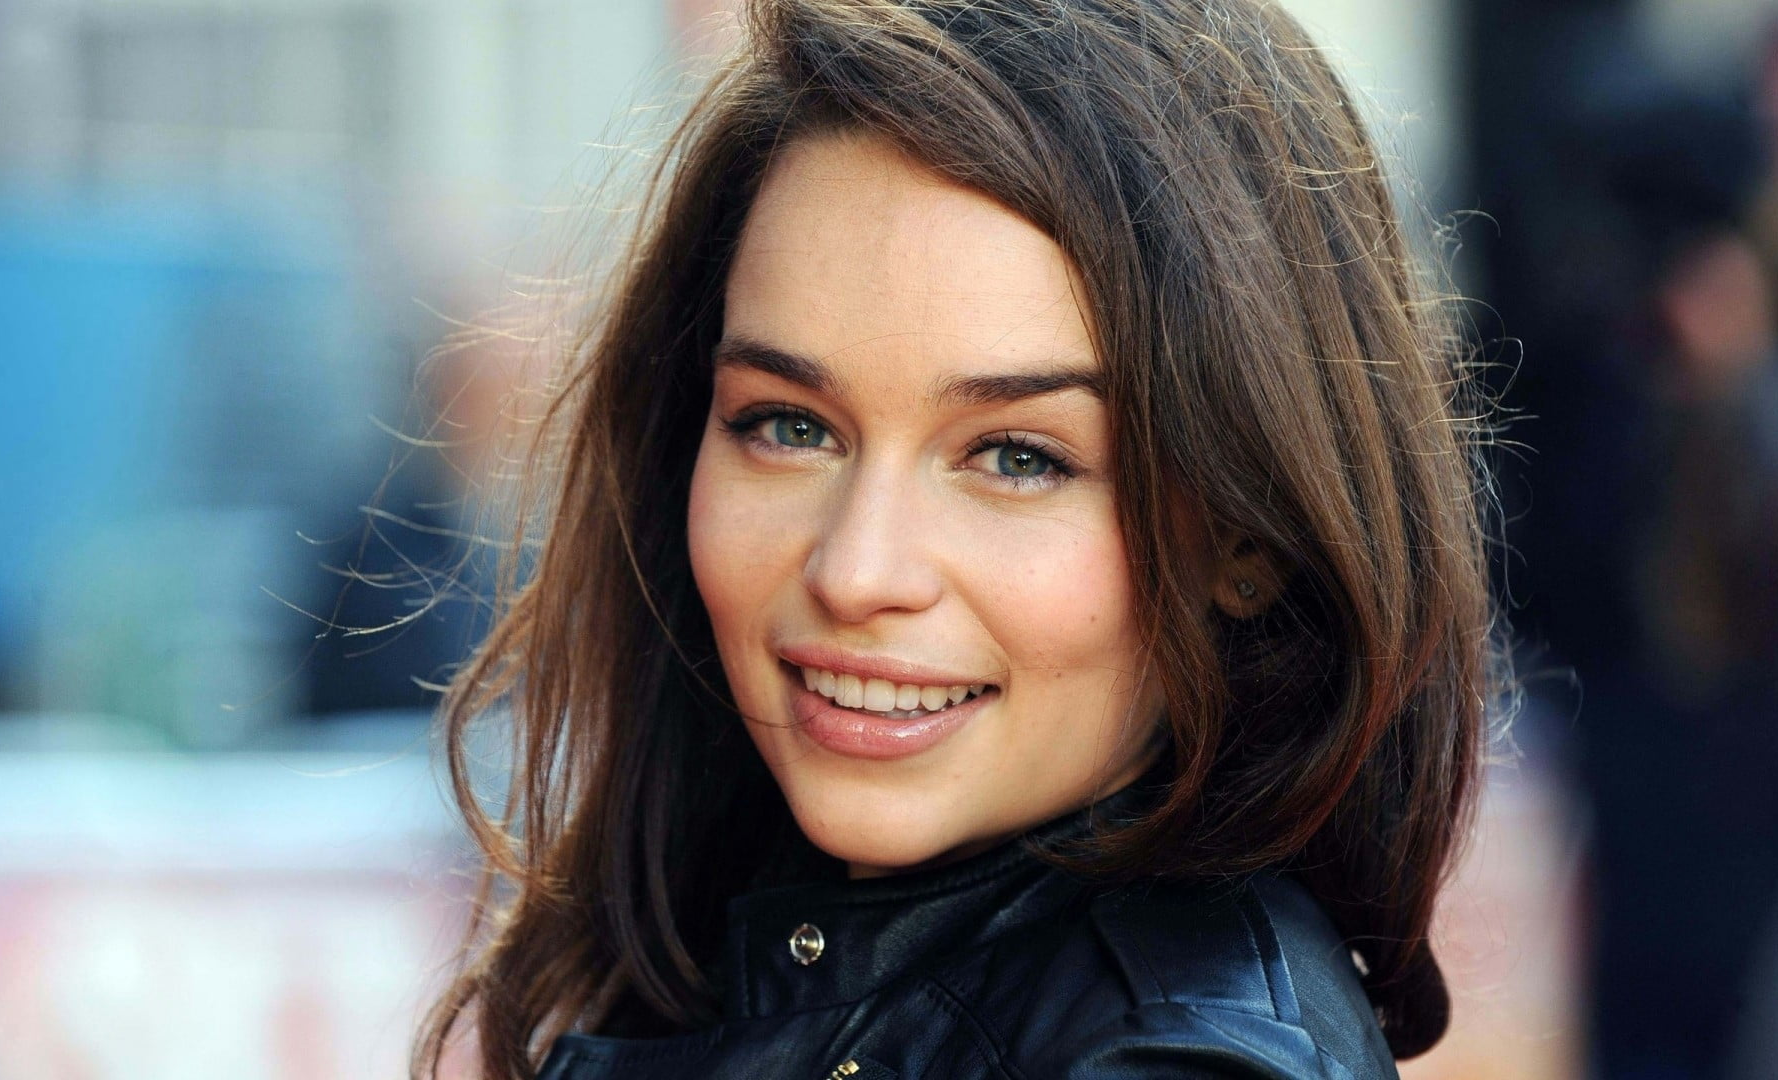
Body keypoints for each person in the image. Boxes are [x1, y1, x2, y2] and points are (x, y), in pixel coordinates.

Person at [413, 1, 1504, 1077]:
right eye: (789, 427)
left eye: (1017, 457)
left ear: (1247, 539)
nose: (856, 570)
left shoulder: (1168, 1060)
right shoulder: (747, 944)